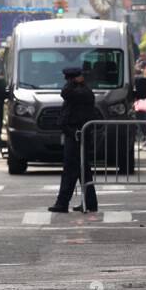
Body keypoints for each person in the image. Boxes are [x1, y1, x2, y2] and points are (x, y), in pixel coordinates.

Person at [49, 66, 103, 214]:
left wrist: (74, 83)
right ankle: (90, 203)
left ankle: (63, 203)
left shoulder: (81, 91)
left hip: (77, 134)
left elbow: (65, 93)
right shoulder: (80, 90)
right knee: (82, 170)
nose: (66, 82)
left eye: (68, 79)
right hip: (74, 133)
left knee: (71, 169)